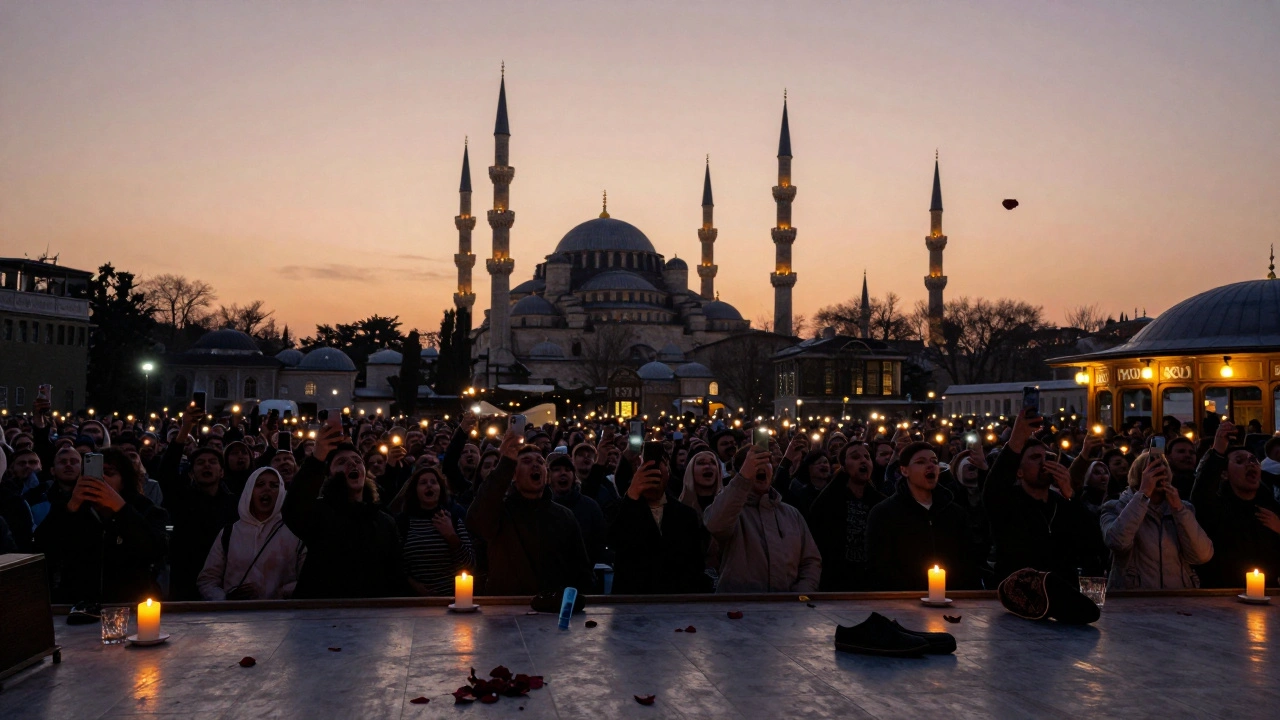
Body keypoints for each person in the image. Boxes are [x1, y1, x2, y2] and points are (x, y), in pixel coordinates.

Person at [984, 407, 1109, 586]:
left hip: (1062, 593)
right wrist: (1017, 439)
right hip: (1019, 593)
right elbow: (995, 484)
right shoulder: (1008, 501)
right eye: (1035, 458)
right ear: (1018, 472)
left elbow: (1092, 540)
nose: (1044, 463)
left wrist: (1071, 495)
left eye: (1047, 457)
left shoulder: (1062, 504)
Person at [282, 423, 405, 598]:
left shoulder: (384, 521)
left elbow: (395, 574)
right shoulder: (319, 514)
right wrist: (317, 457)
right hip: (323, 614)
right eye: (342, 462)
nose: (352, 465)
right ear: (330, 475)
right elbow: (293, 509)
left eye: (357, 461)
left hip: (373, 616)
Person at [465, 428, 593, 596]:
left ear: (546, 475)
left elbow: (580, 569)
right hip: (506, 610)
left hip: (551, 610)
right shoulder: (500, 512)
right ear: (514, 474)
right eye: (525, 461)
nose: (535, 465)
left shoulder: (564, 516)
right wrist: (505, 464)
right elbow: (476, 520)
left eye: (540, 462)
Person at [34, 446, 168, 604]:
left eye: (109, 473)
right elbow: (42, 547)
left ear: (124, 481)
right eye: (94, 473)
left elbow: (155, 549)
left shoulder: (147, 510)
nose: (101, 478)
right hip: (78, 607)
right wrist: (71, 507)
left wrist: (121, 509)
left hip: (130, 604)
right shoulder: (67, 507)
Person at [703, 445, 821, 593]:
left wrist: (800, 594)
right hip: (739, 609)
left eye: (767, 462)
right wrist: (743, 479)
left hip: (788, 609)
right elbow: (716, 525)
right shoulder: (731, 512)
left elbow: (810, 561)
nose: (762, 467)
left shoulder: (791, 514)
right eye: (755, 463)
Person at [866, 442, 975, 591]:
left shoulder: (956, 513)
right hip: (903, 603)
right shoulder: (884, 513)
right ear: (904, 470)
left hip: (952, 601)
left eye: (934, 462)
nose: (930, 466)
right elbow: (879, 567)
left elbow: (968, 561)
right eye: (921, 462)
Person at [156, 408, 240, 600]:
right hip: (187, 577)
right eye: (200, 463)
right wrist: (185, 429)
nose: (207, 466)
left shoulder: (234, 503)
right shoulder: (181, 498)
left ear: (221, 472)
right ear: (192, 473)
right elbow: (167, 472)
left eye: (212, 462)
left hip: (224, 577)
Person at [1100, 451, 1212, 590]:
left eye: (1162, 466)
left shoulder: (1183, 508)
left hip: (1178, 597)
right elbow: (1117, 542)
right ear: (1139, 474)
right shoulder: (1114, 507)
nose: (1159, 472)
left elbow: (1202, 555)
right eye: (1152, 468)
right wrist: (1143, 494)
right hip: (1133, 598)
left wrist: (1180, 511)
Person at [1190, 421, 1280, 588]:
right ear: (1224, 474)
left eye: (1254, 460)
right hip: (1224, 596)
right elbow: (1201, 493)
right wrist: (1218, 450)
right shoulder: (1217, 508)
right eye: (1240, 461)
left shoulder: (1271, 508)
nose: (1250, 463)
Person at [608, 448, 709, 594]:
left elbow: (695, 566)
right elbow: (614, 540)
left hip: (675, 602)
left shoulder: (686, 515)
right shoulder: (620, 507)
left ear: (667, 473)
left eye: (659, 466)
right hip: (631, 602)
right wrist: (632, 494)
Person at [197, 467, 306, 600]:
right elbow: (207, 581)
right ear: (249, 491)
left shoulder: (295, 532)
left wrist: (281, 593)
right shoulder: (229, 533)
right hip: (234, 617)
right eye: (260, 484)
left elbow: (310, 580)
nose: (267, 489)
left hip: (282, 617)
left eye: (274, 485)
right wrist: (226, 599)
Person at [807, 442, 885, 591]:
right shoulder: (827, 503)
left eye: (867, 457)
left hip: (871, 584)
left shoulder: (880, 504)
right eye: (855, 457)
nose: (863, 461)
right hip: (837, 583)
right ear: (843, 466)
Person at [393, 465, 475, 596]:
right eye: (423, 483)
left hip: (449, 599)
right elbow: (395, 564)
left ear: (440, 489)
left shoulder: (453, 520)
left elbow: (469, 563)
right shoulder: (403, 523)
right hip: (414, 601)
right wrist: (413, 585)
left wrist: (451, 536)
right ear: (415, 490)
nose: (429, 486)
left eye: (433, 482)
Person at [548, 453, 609, 568]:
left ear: (574, 476)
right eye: (557, 470)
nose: (563, 473)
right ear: (548, 477)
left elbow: (600, 540)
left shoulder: (590, 506)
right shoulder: (541, 507)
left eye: (568, 470)